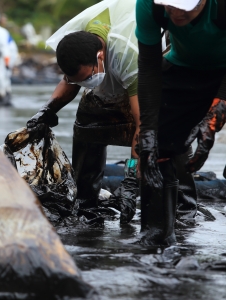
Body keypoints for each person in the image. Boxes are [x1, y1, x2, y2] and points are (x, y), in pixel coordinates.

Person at [27, 0, 140, 224]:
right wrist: (46, 110)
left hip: (157, 64)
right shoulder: (78, 41)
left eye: (88, 78)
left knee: (164, 134)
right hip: (113, 55)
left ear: (100, 57)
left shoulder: (128, 53)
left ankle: (182, 207)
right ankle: (86, 200)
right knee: (89, 119)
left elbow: (144, 126)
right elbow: (70, 82)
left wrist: (131, 178)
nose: (86, 83)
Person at [135, 0, 226, 245]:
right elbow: (149, 67)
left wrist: (216, 112)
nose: (175, 12)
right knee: (155, 148)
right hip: (183, 68)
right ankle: (156, 236)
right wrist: (148, 131)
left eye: (183, 6)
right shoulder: (148, 5)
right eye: (169, 5)